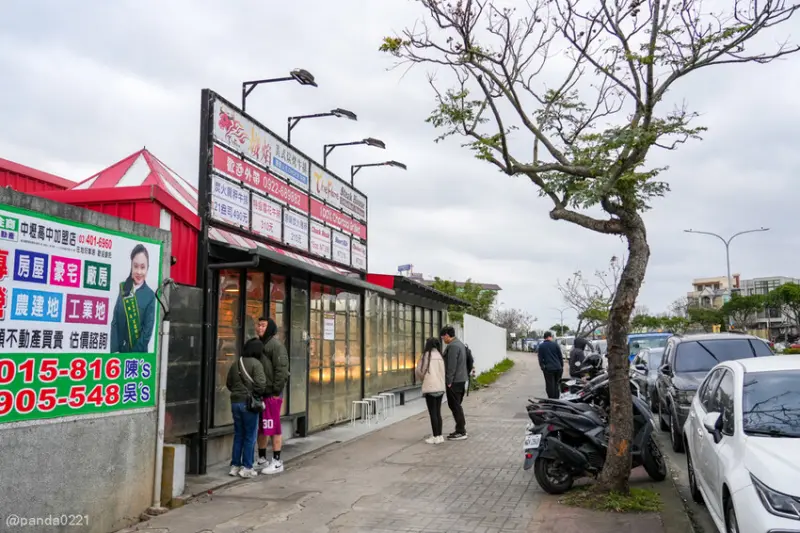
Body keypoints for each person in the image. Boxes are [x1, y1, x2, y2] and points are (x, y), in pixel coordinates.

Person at [226, 338, 267, 479]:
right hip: (249, 404)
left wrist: (238, 392)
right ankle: (247, 467)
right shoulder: (256, 364)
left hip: (235, 403)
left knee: (239, 435)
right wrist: (254, 394)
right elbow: (261, 385)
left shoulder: (236, 364)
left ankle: (235, 466)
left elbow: (229, 383)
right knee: (250, 435)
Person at [255, 317, 289, 475]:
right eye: (258, 325)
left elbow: (281, 370)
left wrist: (276, 391)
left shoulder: (276, 346)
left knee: (273, 426)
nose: (260, 328)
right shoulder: (260, 344)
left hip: (272, 394)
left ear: (270, 328)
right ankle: (262, 458)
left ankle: (277, 461)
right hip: (261, 393)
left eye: (263, 325)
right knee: (262, 427)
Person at [110, 244, 156, 354]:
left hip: (137, 357)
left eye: (142, 267)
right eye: (135, 266)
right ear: (131, 266)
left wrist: (131, 356)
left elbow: (147, 332)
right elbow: (115, 322)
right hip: (118, 355)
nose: (139, 272)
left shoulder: (150, 295)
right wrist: (115, 351)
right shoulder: (124, 288)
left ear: (147, 268)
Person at [416, 337, 446, 444]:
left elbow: (420, 371)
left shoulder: (426, 356)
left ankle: (435, 436)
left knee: (432, 413)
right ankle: (440, 436)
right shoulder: (440, 356)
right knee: (438, 412)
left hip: (430, 387)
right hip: (440, 387)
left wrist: (422, 378)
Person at [440, 326, 468, 440]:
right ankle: (460, 429)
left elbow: (451, 365)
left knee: (455, 405)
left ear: (447, 335)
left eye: (443, 338)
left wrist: (449, 381)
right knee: (457, 405)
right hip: (461, 379)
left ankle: (461, 431)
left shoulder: (453, 346)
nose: (443, 340)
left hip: (455, 381)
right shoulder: (460, 344)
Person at [538, 331, 564, 399]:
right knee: (557, 384)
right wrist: (561, 366)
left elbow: (540, 359)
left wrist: (542, 367)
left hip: (548, 369)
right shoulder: (555, 345)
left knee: (549, 385)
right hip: (558, 368)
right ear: (549, 337)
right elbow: (560, 356)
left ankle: (551, 399)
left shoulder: (541, 346)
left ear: (544, 337)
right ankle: (557, 398)